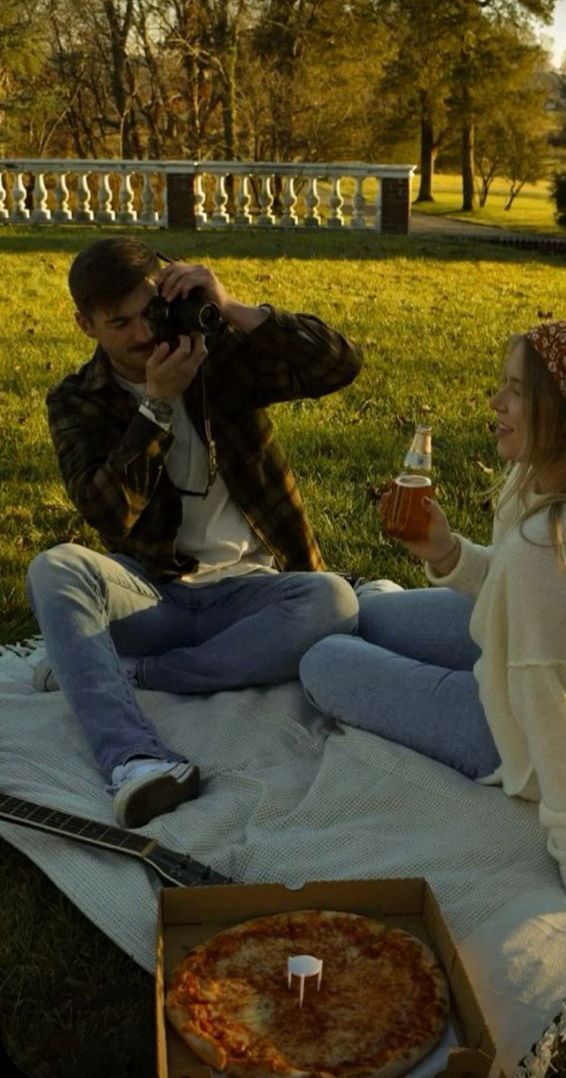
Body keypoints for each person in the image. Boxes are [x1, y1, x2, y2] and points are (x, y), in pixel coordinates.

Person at [299, 319, 566, 915]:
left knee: (324, 660)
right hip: (531, 678)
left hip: (519, 740)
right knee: (368, 612)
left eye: (516, 391)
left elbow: (558, 708)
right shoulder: (559, 486)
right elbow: (516, 602)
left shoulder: (555, 547)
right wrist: (446, 554)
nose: (495, 402)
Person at [26, 237, 362, 828]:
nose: (143, 336)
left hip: (252, 590)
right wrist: (155, 408)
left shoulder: (219, 353)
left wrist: (232, 307)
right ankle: (135, 758)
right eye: (119, 323)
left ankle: (138, 673)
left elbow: (339, 365)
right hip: (153, 591)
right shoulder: (79, 399)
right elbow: (108, 514)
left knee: (333, 599)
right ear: (85, 325)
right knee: (54, 567)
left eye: (151, 311)